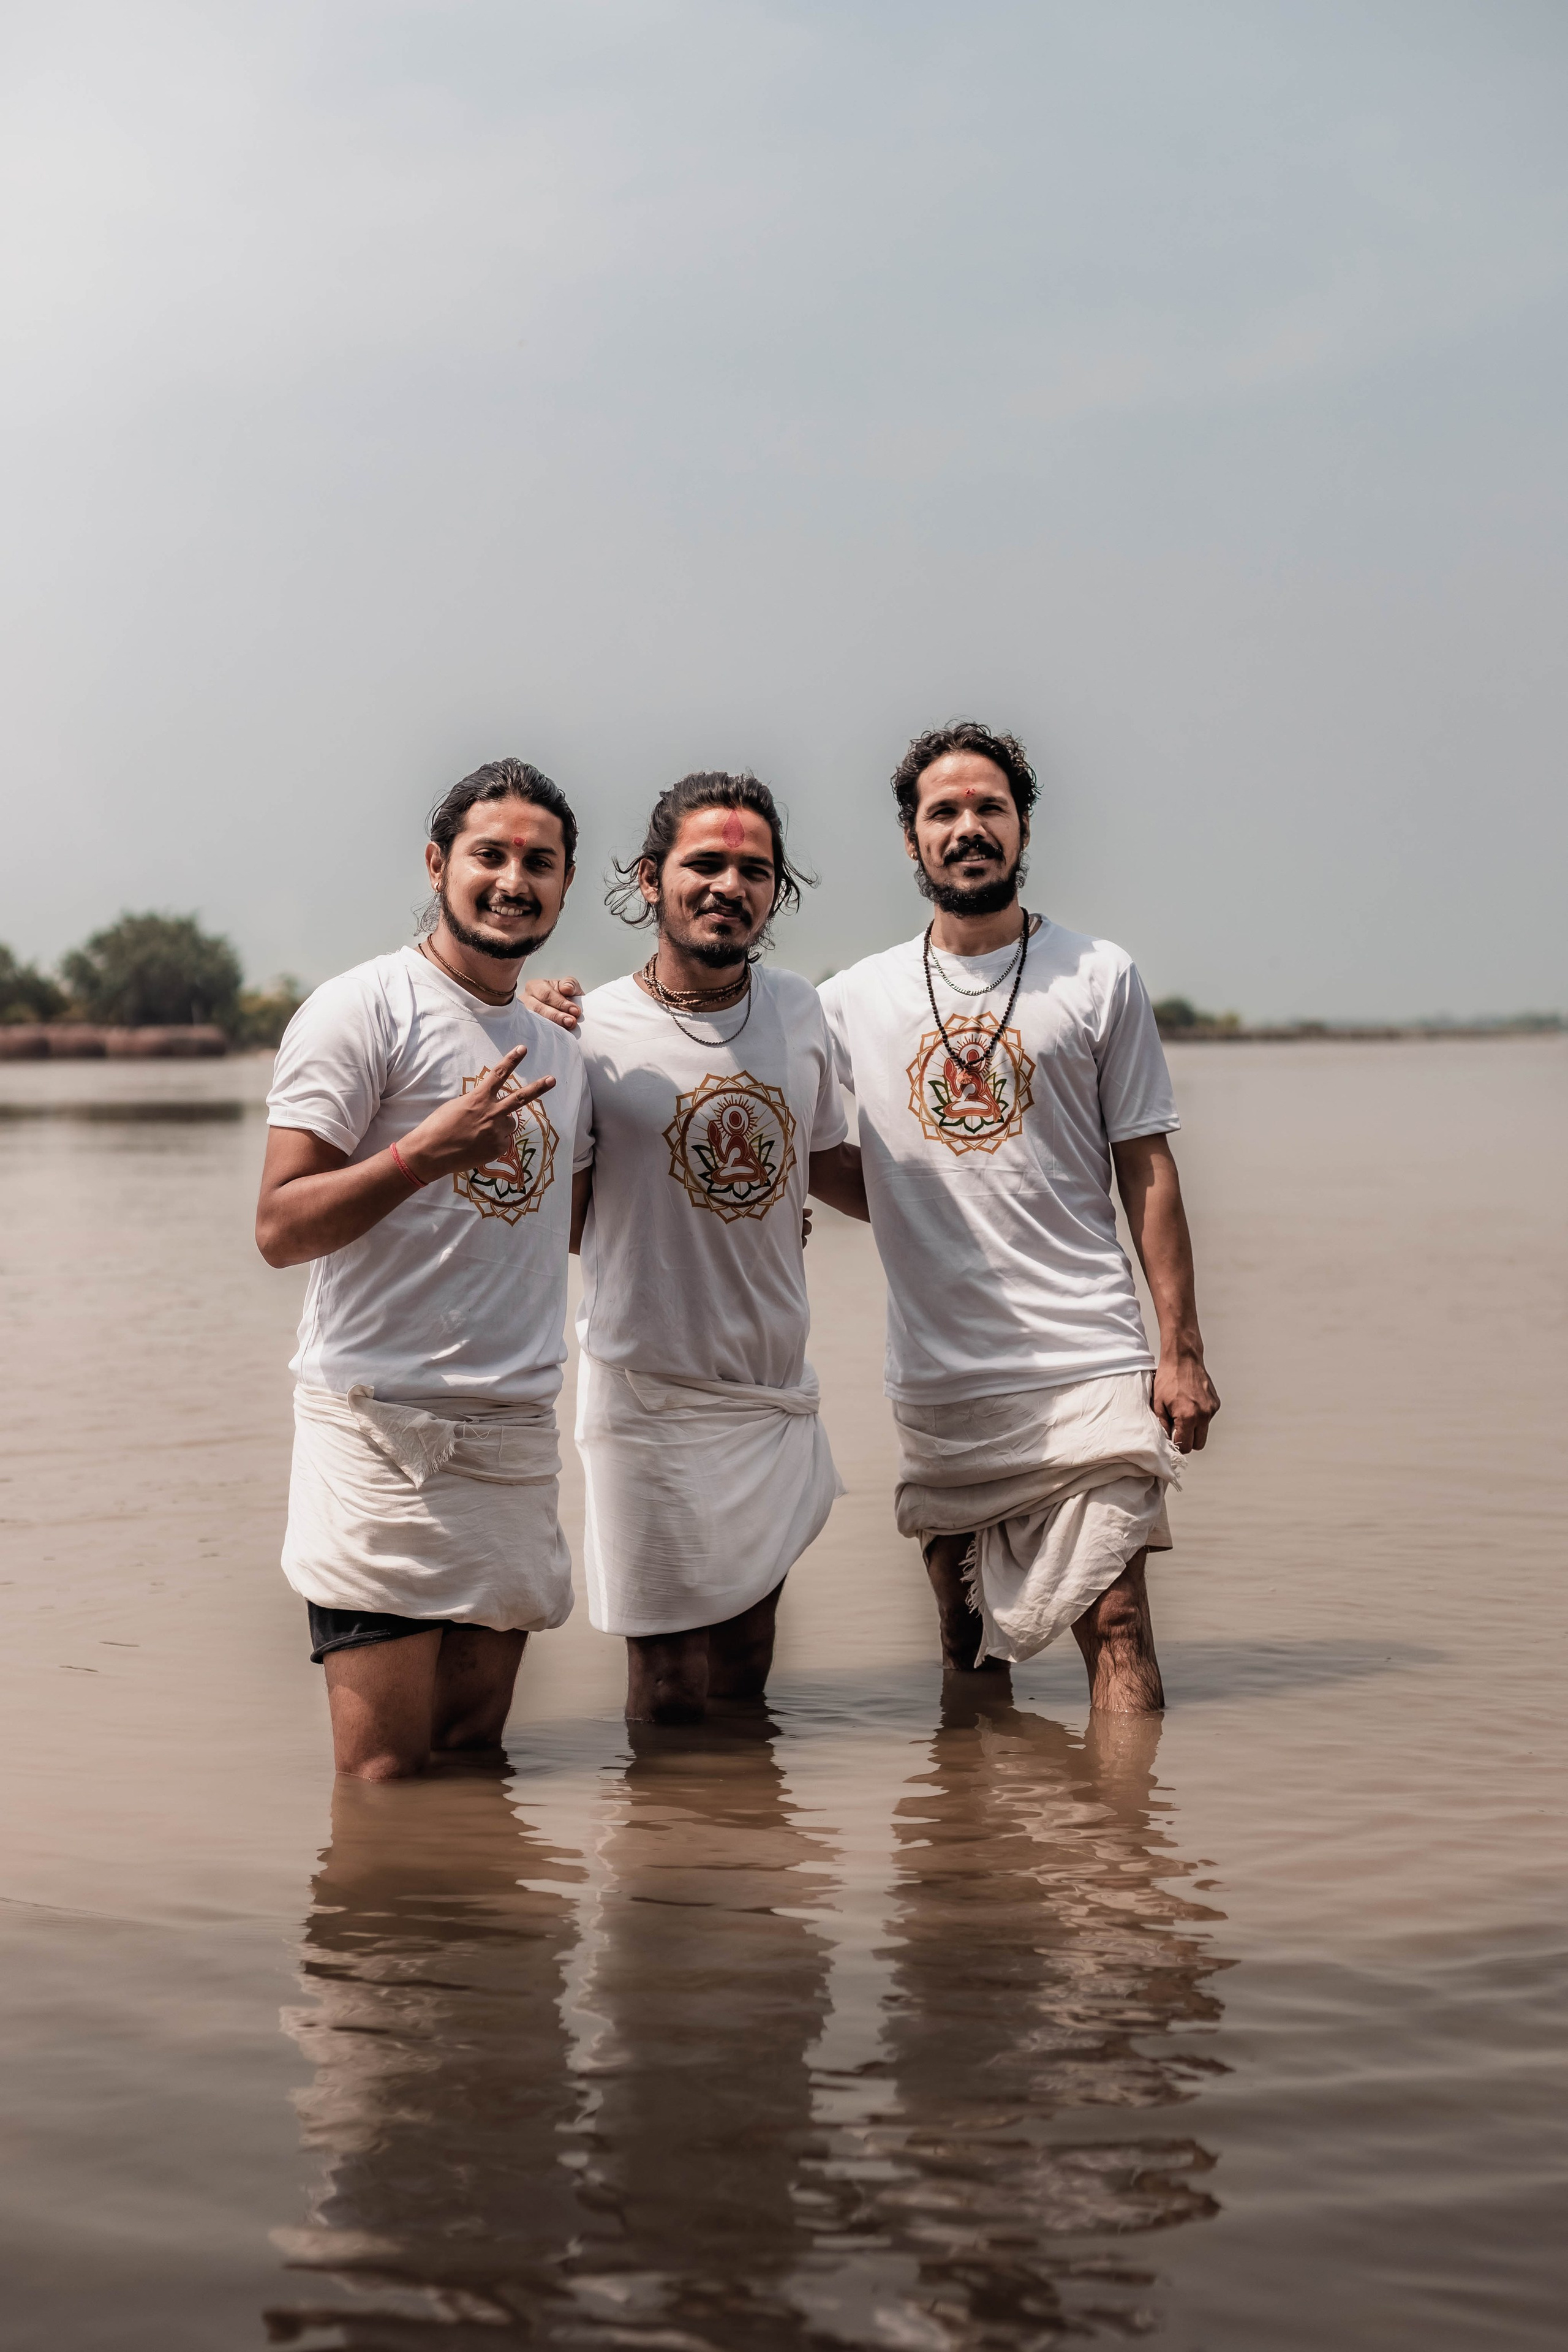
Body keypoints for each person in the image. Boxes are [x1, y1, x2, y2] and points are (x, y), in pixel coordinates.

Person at [816, 720, 1220, 1712]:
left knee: (1119, 1622)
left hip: (1087, 1353)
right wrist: (911, 1208)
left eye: (988, 808)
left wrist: (1182, 1350)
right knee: (966, 1652)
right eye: (942, 813)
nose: (967, 828)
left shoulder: (1097, 976)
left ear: (1024, 829)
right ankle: (974, 1854)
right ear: (911, 841)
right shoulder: (848, 1001)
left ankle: (1127, 1860)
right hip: (944, 1374)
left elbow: (1148, 1166)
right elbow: (787, 1129)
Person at [255, 757, 590, 1779]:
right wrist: (418, 1155)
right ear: (440, 864)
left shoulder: (559, 1045)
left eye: (539, 862)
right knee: (384, 1779)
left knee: (474, 1759)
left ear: (565, 886)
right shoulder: (360, 1009)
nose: (512, 879)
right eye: (489, 855)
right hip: (379, 1428)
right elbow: (278, 1226)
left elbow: (562, 1222)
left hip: (513, 1433)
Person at [534, 771, 867, 1725]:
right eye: (705, 864)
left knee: (747, 1667)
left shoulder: (802, 1012)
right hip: (647, 1389)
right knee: (672, 1683)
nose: (731, 886)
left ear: (777, 891)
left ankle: (736, 1857)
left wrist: (981, 1193)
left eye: (755, 871)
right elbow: (563, 1224)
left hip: (766, 1390)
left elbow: (825, 1163)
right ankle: (663, 1872)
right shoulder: (588, 1028)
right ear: (650, 879)